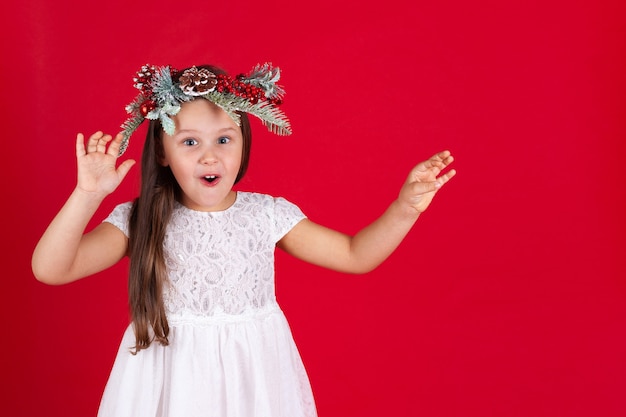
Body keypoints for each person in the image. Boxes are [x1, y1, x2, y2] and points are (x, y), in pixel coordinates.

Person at [32, 63, 456, 417]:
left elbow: (355, 254)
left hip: (255, 382)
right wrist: (86, 196)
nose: (209, 155)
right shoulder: (140, 219)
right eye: (190, 142)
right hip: (169, 382)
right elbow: (51, 269)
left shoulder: (266, 214)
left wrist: (405, 208)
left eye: (223, 139)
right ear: (162, 152)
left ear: (243, 143)